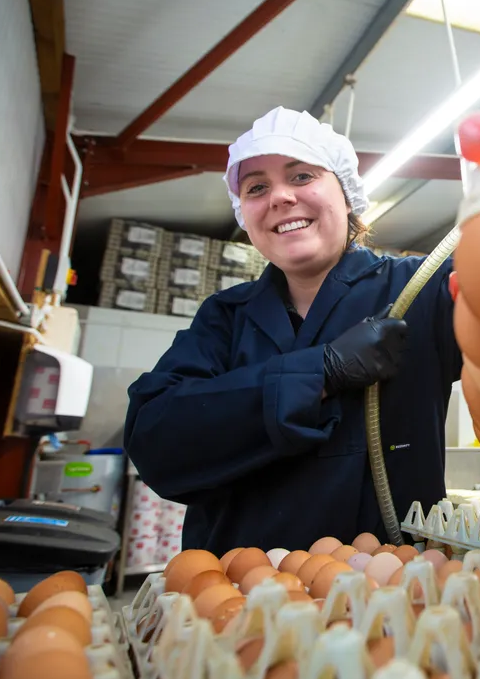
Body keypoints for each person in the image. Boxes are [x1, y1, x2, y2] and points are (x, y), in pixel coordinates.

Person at [123, 106, 462, 555]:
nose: (279, 197)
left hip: (388, 599)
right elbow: (156, 443)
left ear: (346, 194)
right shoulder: (226, 318)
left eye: (301, 176)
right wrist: (320, 373)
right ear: (244, 215)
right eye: (257, 187)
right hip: (238, 598)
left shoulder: (423, 289)